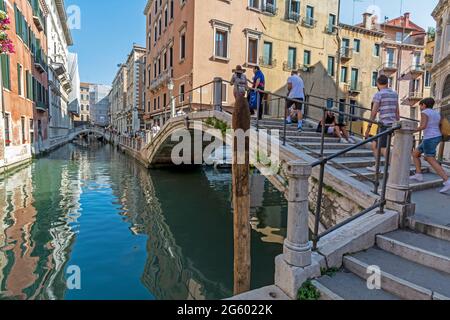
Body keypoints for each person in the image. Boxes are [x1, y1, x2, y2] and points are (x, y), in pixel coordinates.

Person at [410, 98, 450, 193]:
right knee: (415, 154)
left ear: (424, 105)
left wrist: (411, 131)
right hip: (435, 136)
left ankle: (447, 180)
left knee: (430, 159)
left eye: (420, 105)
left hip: (430, 138)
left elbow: (423, 126)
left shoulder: (425, 112)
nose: (420, 107)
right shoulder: (436, 113)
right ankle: (418, 174)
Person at [364, 74, 400, 171]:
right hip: (392, 124)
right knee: (374, 145)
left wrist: (368, 128)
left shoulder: (379, 94)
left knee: (383, 148)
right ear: (387, 83)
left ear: (377, 84)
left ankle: (395, 169)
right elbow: (397, 111)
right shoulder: (394, 94)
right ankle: (376, 166)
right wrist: (397, 124)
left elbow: (374, 112)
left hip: (384, 125)